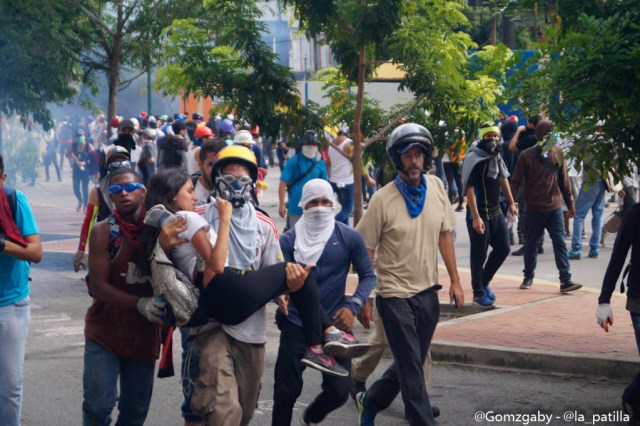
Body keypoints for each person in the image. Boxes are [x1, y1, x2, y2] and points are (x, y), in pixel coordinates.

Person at [143, 151, 362, 375]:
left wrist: (281, 293)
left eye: (244, 180)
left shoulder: (263, 223)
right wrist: (224, 217)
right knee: (294, 271)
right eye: (229, 179)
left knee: (299, 276)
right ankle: (323, 340)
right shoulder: (193, 216)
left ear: (253, 183)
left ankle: (326, 336)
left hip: (241, 316)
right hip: (217, 311)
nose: (195, 196)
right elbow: (216, 265)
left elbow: (268, 272)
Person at [354, 123, 465, 426]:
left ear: (427, 157)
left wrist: (455, 280)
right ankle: (422, 419)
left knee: (411, 361)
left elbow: (444, 234)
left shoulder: (438, 188)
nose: (414, 161)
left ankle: (370, 400)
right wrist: (362, 297)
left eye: (419, 154)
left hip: (427, 290)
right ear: (397, 159)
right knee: (412, 369)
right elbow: (365, 250)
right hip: (393, 295)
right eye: (407, 155)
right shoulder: (382, 199)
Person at [272, 179, 375, 425]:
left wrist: (354, 306)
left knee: (340, 390)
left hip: (336, 327)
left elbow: (368, 276)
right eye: (313, 203)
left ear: (333, 204)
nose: (319, 207)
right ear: (303, 206)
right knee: (285, 393)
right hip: (296, 323)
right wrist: (280, 296)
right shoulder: (288, 241)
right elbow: (278, 282)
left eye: (325, 202)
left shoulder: (348, 236)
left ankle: (311, 417)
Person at [82, 168, 161, 425]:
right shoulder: (104, 232)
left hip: (144, 334)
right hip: (104, 332)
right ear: (110, 197)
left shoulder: (160, 229)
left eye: (129, 187)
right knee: (97, 407)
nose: (124, 193)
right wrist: (139, 303)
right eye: (116, 190)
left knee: (134, 413)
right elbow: (99, 287)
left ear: (142, 190)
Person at [509, 120, 582, 293]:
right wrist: (511, 204)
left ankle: (565, 279)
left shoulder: (557, 152)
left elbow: (564, 181)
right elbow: (515, 181)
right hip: (534, 208)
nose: (554, 137)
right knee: (531, 244)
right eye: (551, 134)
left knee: (560, 243)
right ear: (542, 136)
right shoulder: (526, 155)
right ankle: (528, 276)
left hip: (555, 206)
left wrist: (570, 203)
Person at [0, 154, 42, 426]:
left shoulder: (15, 201)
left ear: (2, 177)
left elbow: (36, 252)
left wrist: (1, 244)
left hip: (11, 307)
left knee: (11, 387)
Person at [460, 123, 517, 308]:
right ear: (481, 137)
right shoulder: (472, 158)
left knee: (503, 248)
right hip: (479, 213)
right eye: (488, 136)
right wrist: (476, 217)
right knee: (479, 254)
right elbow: (468, 189)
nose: (492, 140)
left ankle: (483, 282)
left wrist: (511, 202)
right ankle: (478, 293)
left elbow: (503, 178)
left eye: (495, 136)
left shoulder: (496, 155)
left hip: (496, 211)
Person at [596, 202, 640, 425]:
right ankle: (634, 401)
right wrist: (604, 301)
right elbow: (618, 256)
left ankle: (633, 396)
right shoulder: (635, 214)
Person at [279, 130, 328, 230]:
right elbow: (283, 183)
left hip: (315, 209)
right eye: (308, 144)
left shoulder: (320, 164)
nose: (311, 146)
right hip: (296, 208)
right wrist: (281, 205)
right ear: (302, 145)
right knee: (295, 239)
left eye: (314, 144)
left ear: (317, 146)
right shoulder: (293, 161)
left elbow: (325, 187)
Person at [509, 115, 543, 255]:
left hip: (527, 178)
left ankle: (527, 243)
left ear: (530, 123)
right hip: (541, 178)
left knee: (525, 211)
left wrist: (518, 131)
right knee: (539, 211)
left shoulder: (530, 138)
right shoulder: (545, 139)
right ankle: (539, 243)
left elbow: (512, 147)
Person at [326, 126, 355, 224]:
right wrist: (368, 177)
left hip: (334, 181)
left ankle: (345, 231)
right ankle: (331, 224)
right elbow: (357, 163)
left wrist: (330, 176)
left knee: (344, 208)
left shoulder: (331, 144)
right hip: (347, 181)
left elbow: (328, 163)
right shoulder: (349, 143)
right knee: (347, 209)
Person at [66, 129, 96, 213]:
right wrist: (74, 158)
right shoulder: (74, 145)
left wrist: (85, 162)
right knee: (75, 187)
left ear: (84, 136)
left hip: (86, 169)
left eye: (81, 136)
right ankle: (80, 200)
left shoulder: (88, 145)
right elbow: (67, 154)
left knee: (85, 188)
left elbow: (95, 156)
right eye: (78, 136)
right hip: (76, 169)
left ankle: (85, 206)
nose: (80, 137)